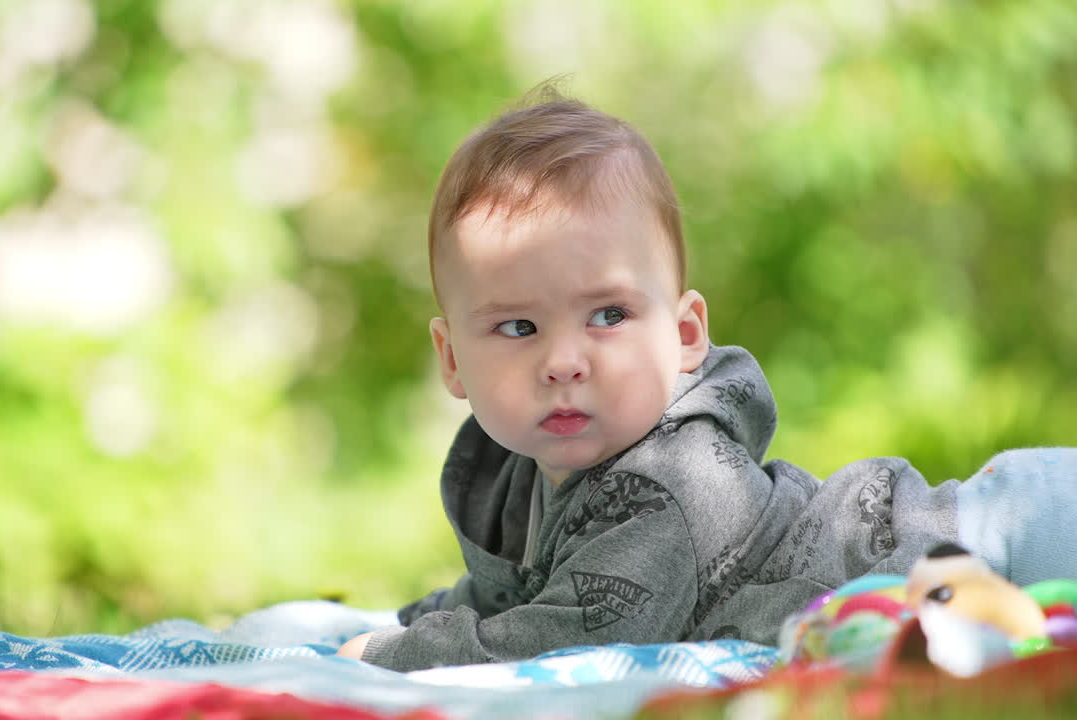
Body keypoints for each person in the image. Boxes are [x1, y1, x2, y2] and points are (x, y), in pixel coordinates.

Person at [336, 84, 1077, 672]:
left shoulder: (670, 480)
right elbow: (513, 596)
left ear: (685, 334)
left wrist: (400, 653)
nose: (564, 360)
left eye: (607, 315)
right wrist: (416, 617)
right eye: (519, 328)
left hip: (996, 536)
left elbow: (566, 637)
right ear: (454, 359)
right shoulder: (531, 475)